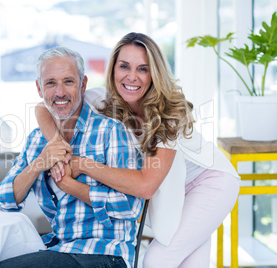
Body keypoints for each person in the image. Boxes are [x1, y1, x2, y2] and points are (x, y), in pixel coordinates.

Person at [35, 32, 241, 267]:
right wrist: (56, 144)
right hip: (172, 189)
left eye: (143, 69)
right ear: (113, 69)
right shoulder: (100, 99)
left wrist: (82, 164)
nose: (132, 77)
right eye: (124, 66)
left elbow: (145, 186)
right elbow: (43, 108)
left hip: (210, 182)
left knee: (157, 260)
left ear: (154, 74)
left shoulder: (169, 113)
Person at [0, 46, 144, 268]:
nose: (60, 92)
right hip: (60, 248)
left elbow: (130, 207)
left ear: (83, 84)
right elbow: (3, 200)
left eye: (68, 81)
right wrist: (38, 164)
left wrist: (70, 185)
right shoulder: (37, 140)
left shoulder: (110, 131)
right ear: (39, 88)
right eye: (51, 83)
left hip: (106, 254)